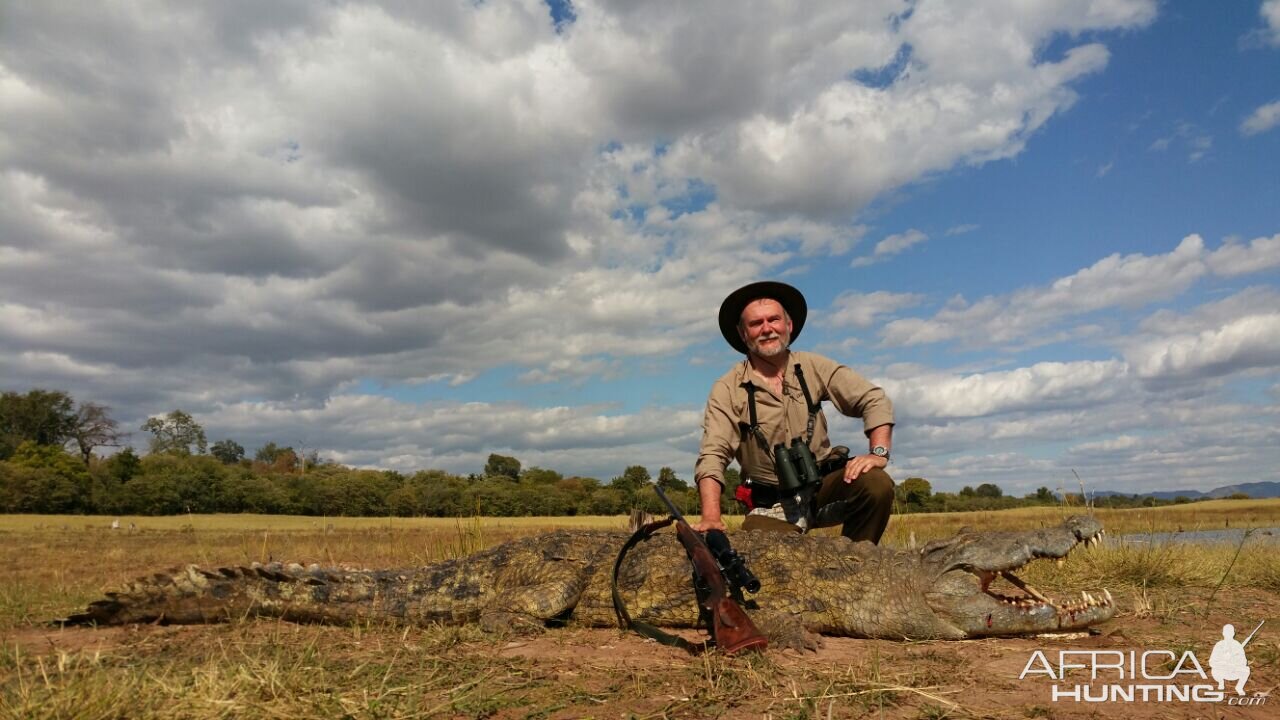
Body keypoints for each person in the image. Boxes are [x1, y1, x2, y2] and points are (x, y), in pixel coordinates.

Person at [692, 281, 895, 543]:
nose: (767, 329)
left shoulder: (813, 366)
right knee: (762, 554)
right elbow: (713, 453)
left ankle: (859, 564)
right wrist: (711, 517)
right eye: (756, 324)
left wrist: (878, 453)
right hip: (772, 504)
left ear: (789, 325)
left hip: (822, 487)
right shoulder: (727, 387)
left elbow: (873, 398)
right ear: (743, 334)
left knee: (876, 484)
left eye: (773, 320)